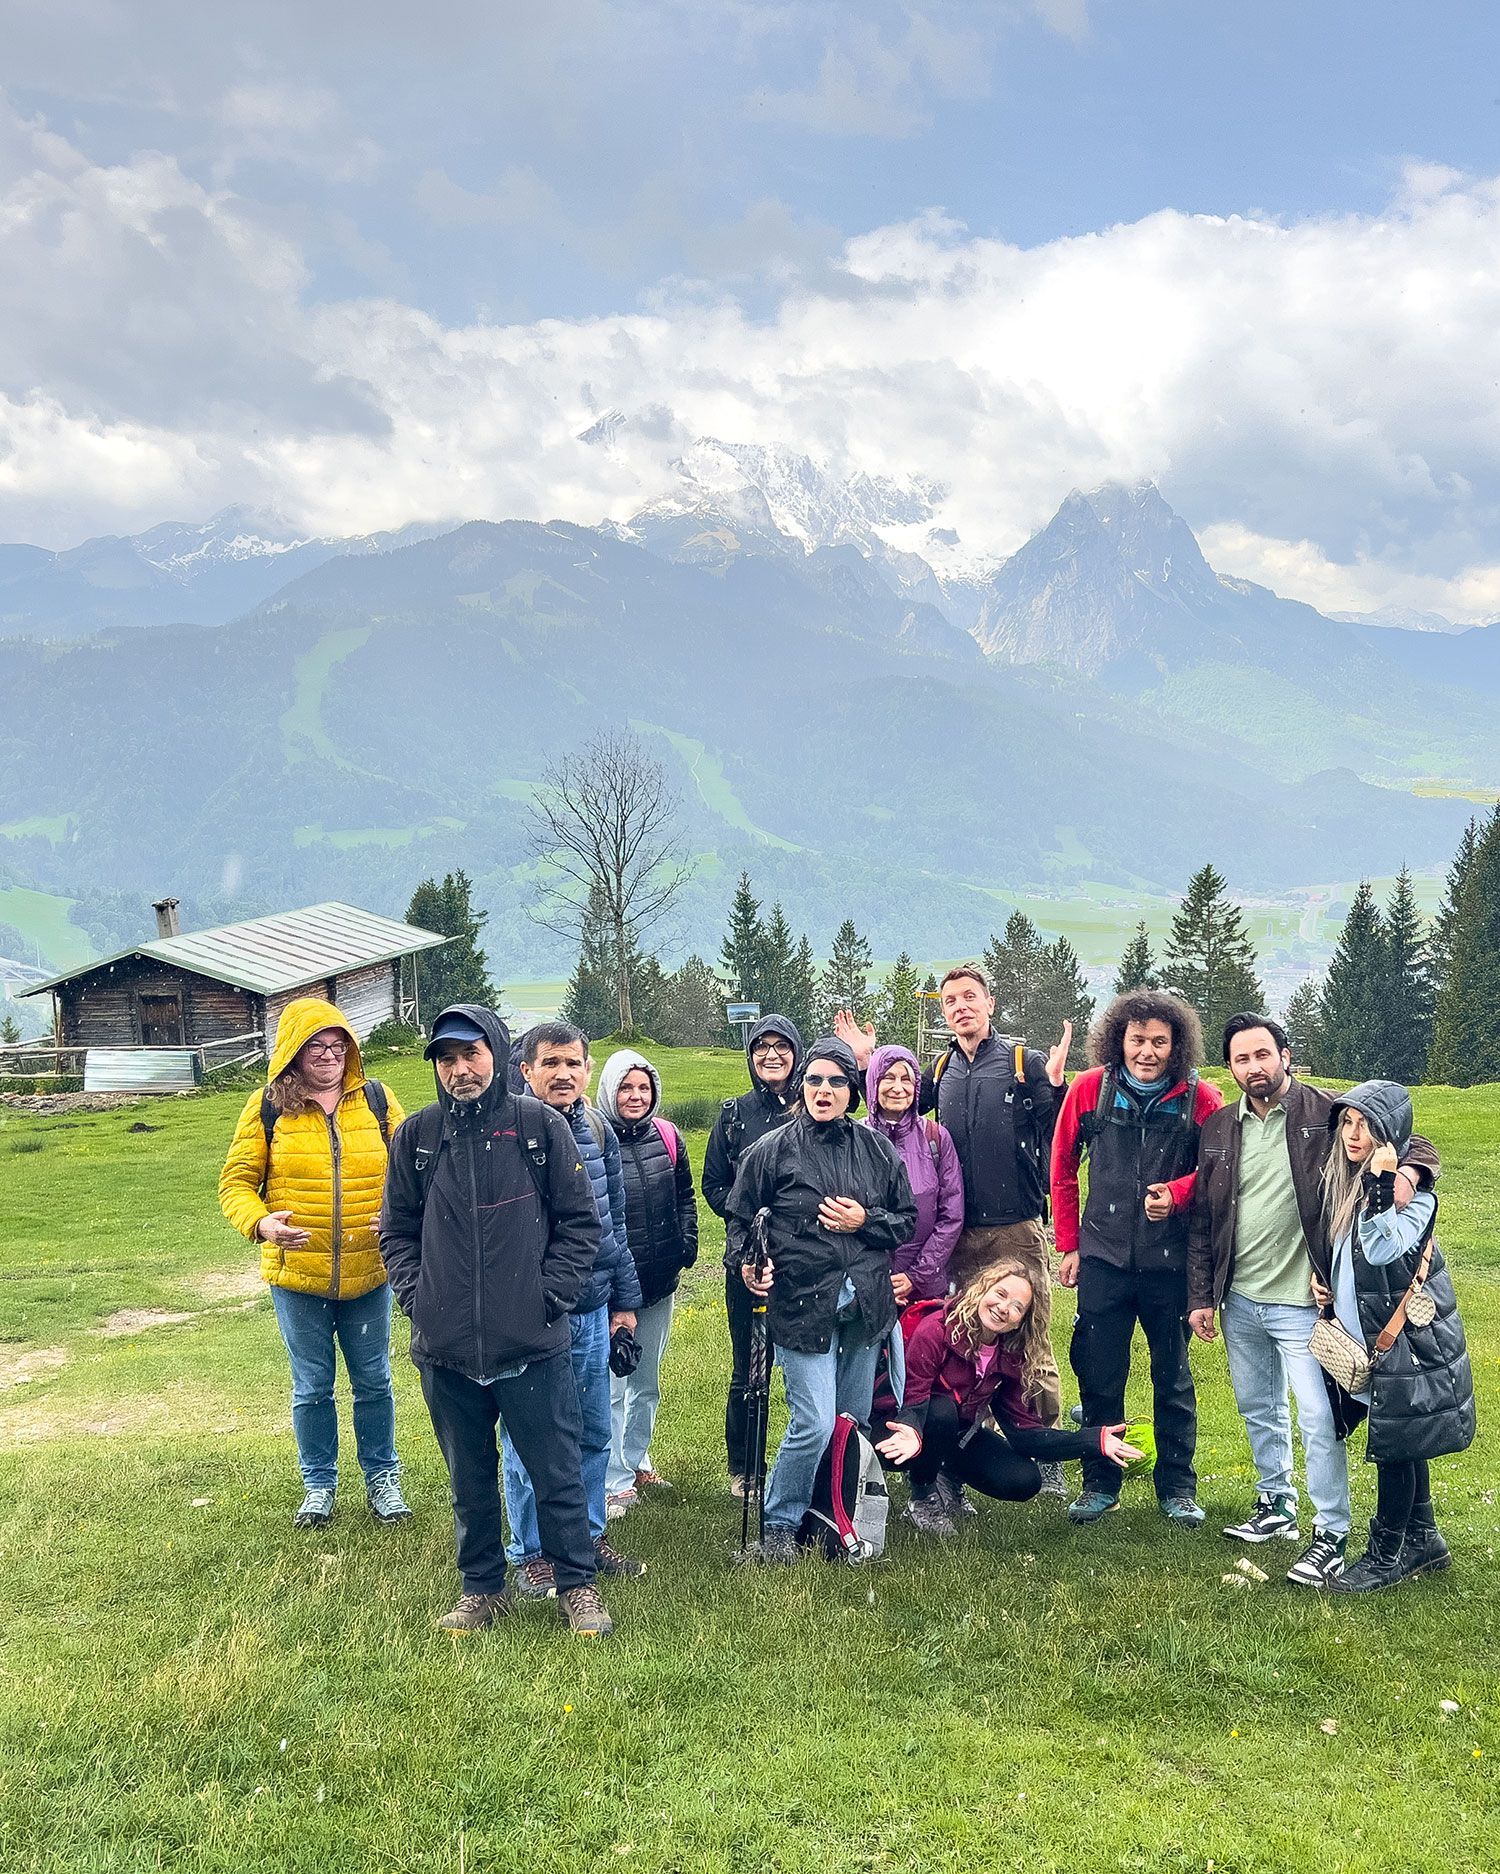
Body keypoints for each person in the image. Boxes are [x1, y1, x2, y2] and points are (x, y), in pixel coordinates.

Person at [379, 1004, 614, 1635]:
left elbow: (580, 1223)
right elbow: (396, 1231)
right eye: (448, 1059)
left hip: (532, 1343)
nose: (460, 1069)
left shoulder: (537, 1127)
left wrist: (549, 1298)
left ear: (498, 1054)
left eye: (472, 1054)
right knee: (470, 1479)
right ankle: (481, 1589)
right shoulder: (418, 1137)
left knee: (556, 1471)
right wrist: (416, 1297)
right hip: (446, 1347)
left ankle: (577, 1585)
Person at [1187, 1014, 1440, 1588]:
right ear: (1229, 1067)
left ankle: (1331, 1533)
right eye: (1241, 1059)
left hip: (1306, 1305)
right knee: (1258, 1409)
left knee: (1318, 1419)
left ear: (1285, 1055)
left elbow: (1408, 1136)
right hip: (1240, 1298)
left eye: (1263, 1055)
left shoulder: (1325, 1113)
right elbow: (1203, 1217)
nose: (1254, 1067)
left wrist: (1408, 1174)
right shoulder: (1220, 1127)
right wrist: (1202, 1294)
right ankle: (1274, 1504)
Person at [836, 969, 1071, 1494]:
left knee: (1028, 1339)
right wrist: (864, 1062)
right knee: (965, 1339)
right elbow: (891, 1105)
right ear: (943, 1011)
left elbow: (1056, 1128)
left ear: (990, 1002)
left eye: (970, 997)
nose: (961, 1007)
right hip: (959, 1235)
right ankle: (961, 1446)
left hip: (1014, 1225)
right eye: (950, 1001)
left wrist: (1056, 1084)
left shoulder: (1020, 1061)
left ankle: (1042, 1438)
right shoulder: (940, 1068)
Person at [219, 996, 409, 1529]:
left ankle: (382, 1479)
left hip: (370, 1270)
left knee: (374, 1381)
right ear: (293, 1053)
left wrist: (401, 1217)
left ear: (349, 1048)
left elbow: (416, 1169)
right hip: (297, 1275)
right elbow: (236, 1183)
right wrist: (260, 1224)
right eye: (315, 1047)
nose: (327, 1056)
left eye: (336, 1045)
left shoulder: (376, 1099)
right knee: (312, 1386)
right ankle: (319, 1484)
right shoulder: (268, 1107)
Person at [727, 1035, 916, 1563]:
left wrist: (865, 1221)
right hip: (801, 1304)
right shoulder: (770, 1151)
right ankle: (780, 1522)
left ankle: (833, 1510)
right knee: (812, 1421)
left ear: (852, 1091)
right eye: (814, 1080)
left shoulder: (878, 1149)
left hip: (865, 1306)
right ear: (801, 1087)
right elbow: (741, 1219)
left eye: (836, 1081)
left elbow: (905, 1221)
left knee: (850, 1420)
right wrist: (747, 1265)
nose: (824, 1090)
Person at [1051, 988, 1223, 1526]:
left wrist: (1179, 1193)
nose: (1147, 1051)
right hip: (1102, 1257)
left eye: (1160, 1042)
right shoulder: (1089, 1090)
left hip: (1169, 1265)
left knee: (1172, 1377)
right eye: (1138, 1039)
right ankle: (1100, 1484)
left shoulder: (1202, 1099)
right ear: (1118, 1039)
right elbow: (1061, 1167)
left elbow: (1222, 1170)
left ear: (1178, 1047)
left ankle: (1177, 1488)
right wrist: (1071, 1244)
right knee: (1100, 1375)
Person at [501, 1022, 645, 1595]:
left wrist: (625, 1300)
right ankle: (532, 1550)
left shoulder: (597, 1128)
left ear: (588, 1071)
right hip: (533, 1314)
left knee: (591, 1430)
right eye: (550, 1063)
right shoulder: (509, 1131)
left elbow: (614, 1222)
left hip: (591, 1307)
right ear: (526, 1072)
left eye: (573, 1064)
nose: (563, 1074)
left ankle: (584, 1536)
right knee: (527, 1435)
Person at [1317, 1082, 1474, 1593]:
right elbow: (1355, 1260)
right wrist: (1331, 1287)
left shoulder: (1414, 1197)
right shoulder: (1352, 1182)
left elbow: (1383, 1248)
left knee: (1395, 1443)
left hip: (1411, 1340)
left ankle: (1385, 1556)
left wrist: (1389, 1180)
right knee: (1408, 1438)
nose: (1353, 1134)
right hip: (1381, 1335)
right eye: (1347, 1123)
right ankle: (1424, 1536)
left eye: (1366, 1125)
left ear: (1390, 1135)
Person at [876, 1258, 1144, 1533]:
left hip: (955, 1434)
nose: (1003, 1309)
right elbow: (913, 1396)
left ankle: (947, 1473)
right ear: (981, 1290)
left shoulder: (1009, 1355)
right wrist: (911, 1431)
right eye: (1000, 1294)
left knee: (1023, 1480)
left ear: (1021, 1322)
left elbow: (1025, 1435)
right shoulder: (936, 1329)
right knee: (942, 1412)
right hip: (895, 1429)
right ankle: (923, 1496)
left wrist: (1093, 1440)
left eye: (1017, 1307)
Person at [702, 1015, 804, 1495]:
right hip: (748, 1255)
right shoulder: (732, 1114)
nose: (771, 1055)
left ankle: (812, 1453)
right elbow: (714, 1184)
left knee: (807, 1362)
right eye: (761, 1047)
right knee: (750, 1366)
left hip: (804, 1258)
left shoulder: (813, 1105)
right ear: (749, 1056)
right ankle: (746, 1468)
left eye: (781, 1047)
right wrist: (753, 1209)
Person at [596, 1046, 699, 1517]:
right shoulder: (594, 1138)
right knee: (614, 1384)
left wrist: (688, 1242)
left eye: (643, 1087)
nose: (635, 1096)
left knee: (647, 1382)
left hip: (659, 1282)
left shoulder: (669, 1135)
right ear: (609, 1090)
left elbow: (684, 1196)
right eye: (625, 1087)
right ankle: (613, 1478)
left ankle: (637, 1460)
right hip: (614, 1287)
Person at [862, 1043, 964, 1305]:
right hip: (866, 1285)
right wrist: (874, 1275)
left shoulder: (936, 1138)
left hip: (925, 1288)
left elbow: (951, 1216)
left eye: (906, 1079)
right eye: (888, 1077)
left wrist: (915, 1276)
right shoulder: (854, 1138)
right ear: (873, 1081)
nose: (898, 1087)